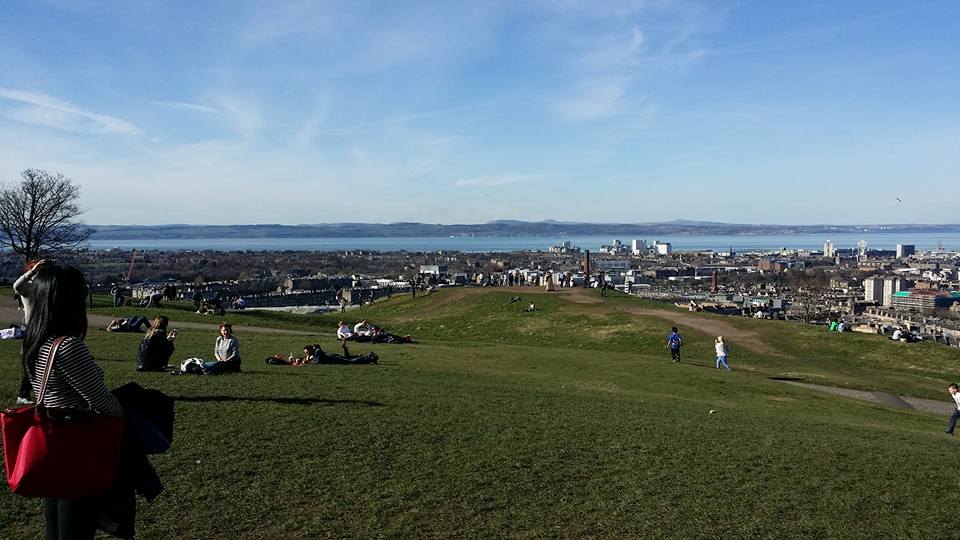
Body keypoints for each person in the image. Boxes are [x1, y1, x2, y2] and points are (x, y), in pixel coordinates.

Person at [22, 263, 123, 539]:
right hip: (76, 442)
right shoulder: (67, 346)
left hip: (52, 441)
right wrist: (122, 411)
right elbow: (102, 401)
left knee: (55, 520)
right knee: (75, 522)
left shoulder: (35, 340)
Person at [13, 259, 48, 405]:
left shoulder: (44, 287)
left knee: (44, 362)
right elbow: (16, 285)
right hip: (32, 329)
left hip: (46, 328)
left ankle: (35, 394)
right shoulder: (28, 287)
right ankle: (23, 394)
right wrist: (33, 271)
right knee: (31, 361)